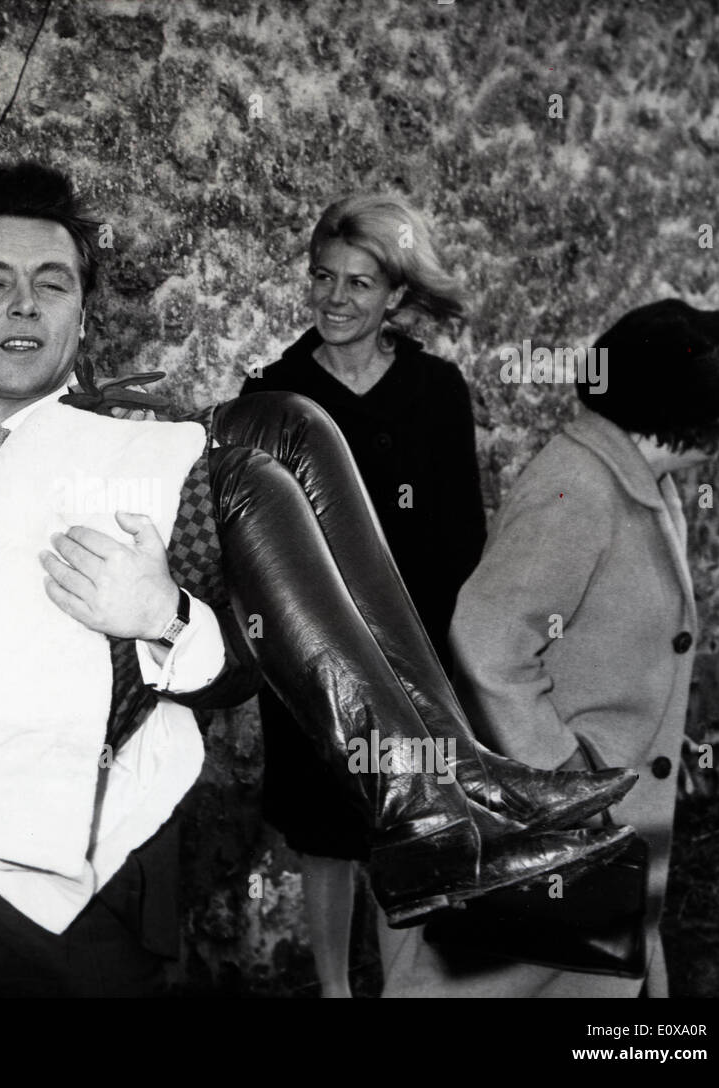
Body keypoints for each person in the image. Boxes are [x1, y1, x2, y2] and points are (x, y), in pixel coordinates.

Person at [0, 104, 637, 999]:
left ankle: (438, 790)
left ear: (86, 315)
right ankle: (433, 798)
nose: (23, 306)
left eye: (52, 284)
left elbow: (238, 668)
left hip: (95, 883)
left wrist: (166, 618)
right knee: (274, 431)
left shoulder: (42, 428)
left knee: (283, 429)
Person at [380, 299, 719, 997]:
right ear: (679, 413)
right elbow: (488, 639)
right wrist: (561, 776)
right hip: (558, 842)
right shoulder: (578, 490)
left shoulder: (639, 479)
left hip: (600, 848)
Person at [241, 195, 485, 996]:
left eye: (359, 283)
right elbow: (257, 548)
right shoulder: (273, 394)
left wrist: (452, 667)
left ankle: (406, 988)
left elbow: (461, 540)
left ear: (397, 298)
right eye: (322, 278)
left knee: (406, 823)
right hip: (314, 658)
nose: (336, 299)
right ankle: (336, 990)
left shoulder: (437, 392)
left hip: (415, 653)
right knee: (327, 835)